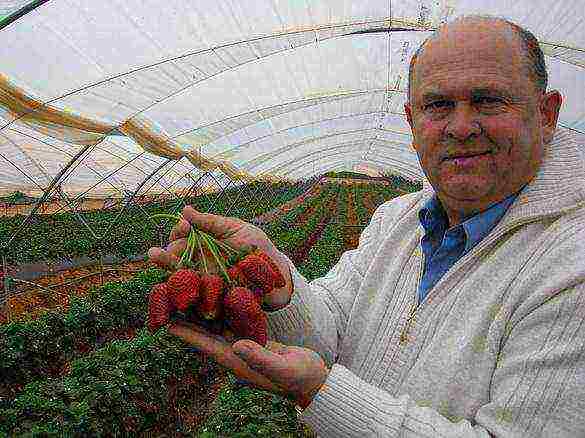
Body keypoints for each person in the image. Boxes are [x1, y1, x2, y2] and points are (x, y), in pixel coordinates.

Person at [148, 15, 585, 437]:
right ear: (413, 124)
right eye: (438, 105)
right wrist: (273, 279)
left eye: (488, 100)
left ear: (546, 115)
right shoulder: (396, 219)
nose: (461, 126)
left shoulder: (572, 262)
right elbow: (333, 328)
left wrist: (317, 390)